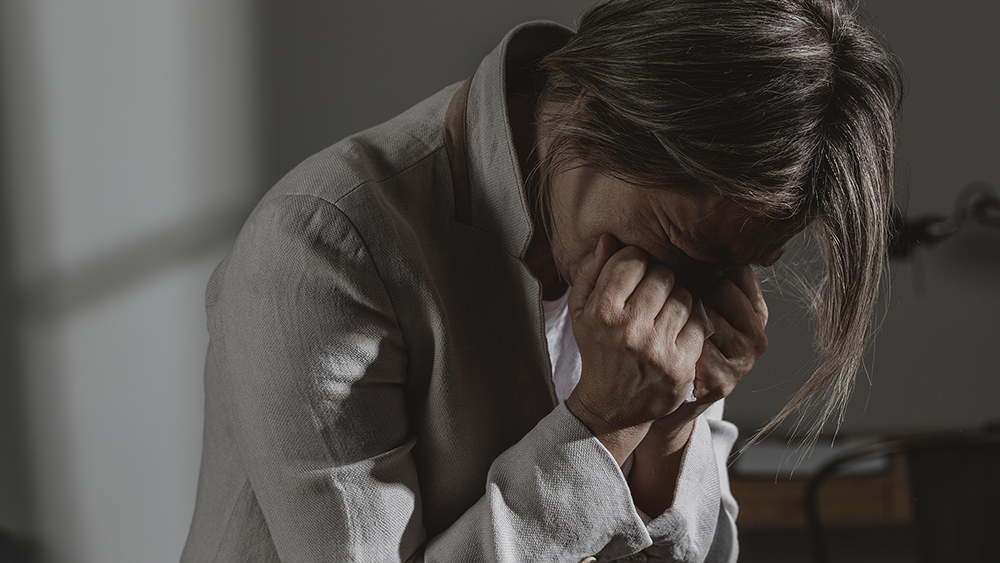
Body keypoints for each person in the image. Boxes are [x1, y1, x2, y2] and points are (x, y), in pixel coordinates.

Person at [180, 0, 903, 561]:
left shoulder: (685, 256)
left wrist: (671, 424)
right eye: (682, 250)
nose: (690, 300)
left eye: (740, 266)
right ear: (600, 113)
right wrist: (601, 427)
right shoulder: (326, 245)